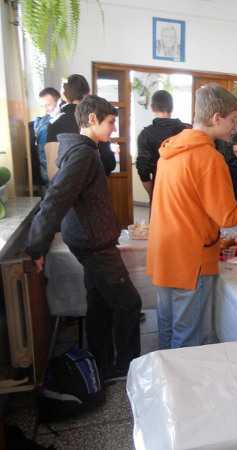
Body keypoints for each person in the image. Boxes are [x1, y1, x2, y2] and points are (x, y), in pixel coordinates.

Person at [147, 84, 237, 349]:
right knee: (187, 337)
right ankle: (182, 388)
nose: (235, 127)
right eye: (233, 120)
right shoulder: (209, 158)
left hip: (163, 252)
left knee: (167, 327)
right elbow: (226, 216)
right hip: (190, 259)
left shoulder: (170, 150)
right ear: (216, 118)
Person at [26, 95, 142, 381]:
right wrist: (36, 246)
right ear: (92, 119)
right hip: (94, 244)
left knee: (100, 303)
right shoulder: (82, 154)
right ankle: (127, 368)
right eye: (110, 122)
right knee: (129, 304)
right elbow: (56, 198)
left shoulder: (84, 149)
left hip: (88, 239)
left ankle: (100, 363)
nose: (113, 129)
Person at [46, 74, 116, 180]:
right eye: (111, 123)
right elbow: (109, 163)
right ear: (88, 93)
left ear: (64, 95)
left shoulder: (55, 123)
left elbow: (52, 170)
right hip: (94, 187)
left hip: (64, 188)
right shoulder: (95, 120)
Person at [136, 90, 190, 203]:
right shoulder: (187, 131)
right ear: (172, 107)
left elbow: (143, 169)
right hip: (185, 191)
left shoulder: (145, 134)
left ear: (152, 108)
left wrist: (152, 193)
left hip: (159, 189)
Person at [34, 87, 62, 185]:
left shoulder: (65, 120)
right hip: (48, 177)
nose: (46, 110)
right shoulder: (43, 124)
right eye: (43, 106)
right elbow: (43, 155)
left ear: (59, 102)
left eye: (48, 105)